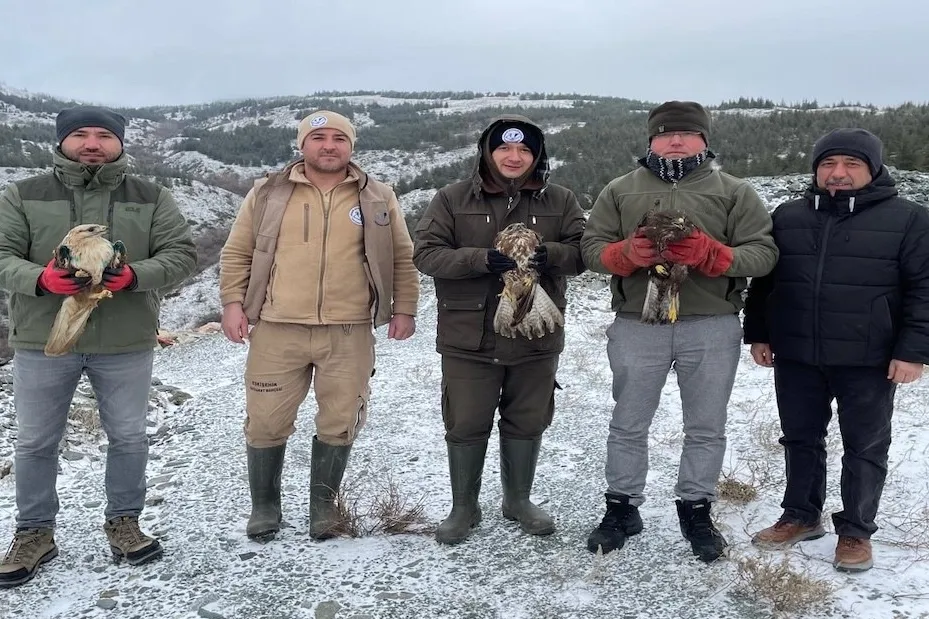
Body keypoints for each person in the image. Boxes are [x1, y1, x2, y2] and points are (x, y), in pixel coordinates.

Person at [0, 105, 197, 587]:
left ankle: (124, 523)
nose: (92, 144)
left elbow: (182, 255)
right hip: (44, 338)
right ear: (62, 141)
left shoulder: (151, 196)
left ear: (120, 143)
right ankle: (34, 533)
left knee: (128, 436)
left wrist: (135, 276)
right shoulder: (23, 194)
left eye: (104, 135)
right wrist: (40, 279)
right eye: (81, 134)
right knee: (36, 441)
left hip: (125, 339)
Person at [580, 101, 778, 562]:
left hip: (710, 324)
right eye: (665, 133)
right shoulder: (620, 190)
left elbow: (764, 254)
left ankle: (696, 509)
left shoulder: (734, 191)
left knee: (706, 425)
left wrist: (716, 255)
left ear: (704, 140)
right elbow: (591, 248)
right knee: (628, 422)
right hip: (637, 323)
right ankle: (621, 507)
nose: (675, 141)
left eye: (686, 133)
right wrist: (624, 254)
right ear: (651, 140)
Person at [219, 110, 420, 542]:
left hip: (349, 329)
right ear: (302, 144)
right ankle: (265, 507)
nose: (329, 145)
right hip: (277, 326)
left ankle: (323, 507)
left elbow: (402, 257)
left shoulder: (378, 196)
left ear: (351, 145)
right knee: (265, 420)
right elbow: (238, 252)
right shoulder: (268, 192)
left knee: (340, 419)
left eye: (338, 138)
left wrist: (405, 308)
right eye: (318, 137)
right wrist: (233, 304)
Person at [744, 128, 929, 572]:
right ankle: (801, 515)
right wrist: (760, 333)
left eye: (851, 164)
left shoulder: (909, 219)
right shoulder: (788, 215)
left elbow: (924, 290)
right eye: (828, 164)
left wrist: (913, 351)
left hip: (869, 356)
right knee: (800, 438)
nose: (838, 173)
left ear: (874, 169)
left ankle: (856, 530)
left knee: (865, 445)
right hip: (797, 352)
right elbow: (765, 282)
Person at [413, 115, 586, 545]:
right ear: (487, 153)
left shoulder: (560, 200)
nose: (514, 157)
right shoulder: (452, 198)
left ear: (537, 156)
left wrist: (553, 255)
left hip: (535, 332)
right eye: (504, 148)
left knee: (527, 419)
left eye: (525, 150)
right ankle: (464, 507)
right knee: (466, 422)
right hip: (469, 335)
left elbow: (584, 252)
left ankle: (518, 501)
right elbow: (426, 254)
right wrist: (478, 260)